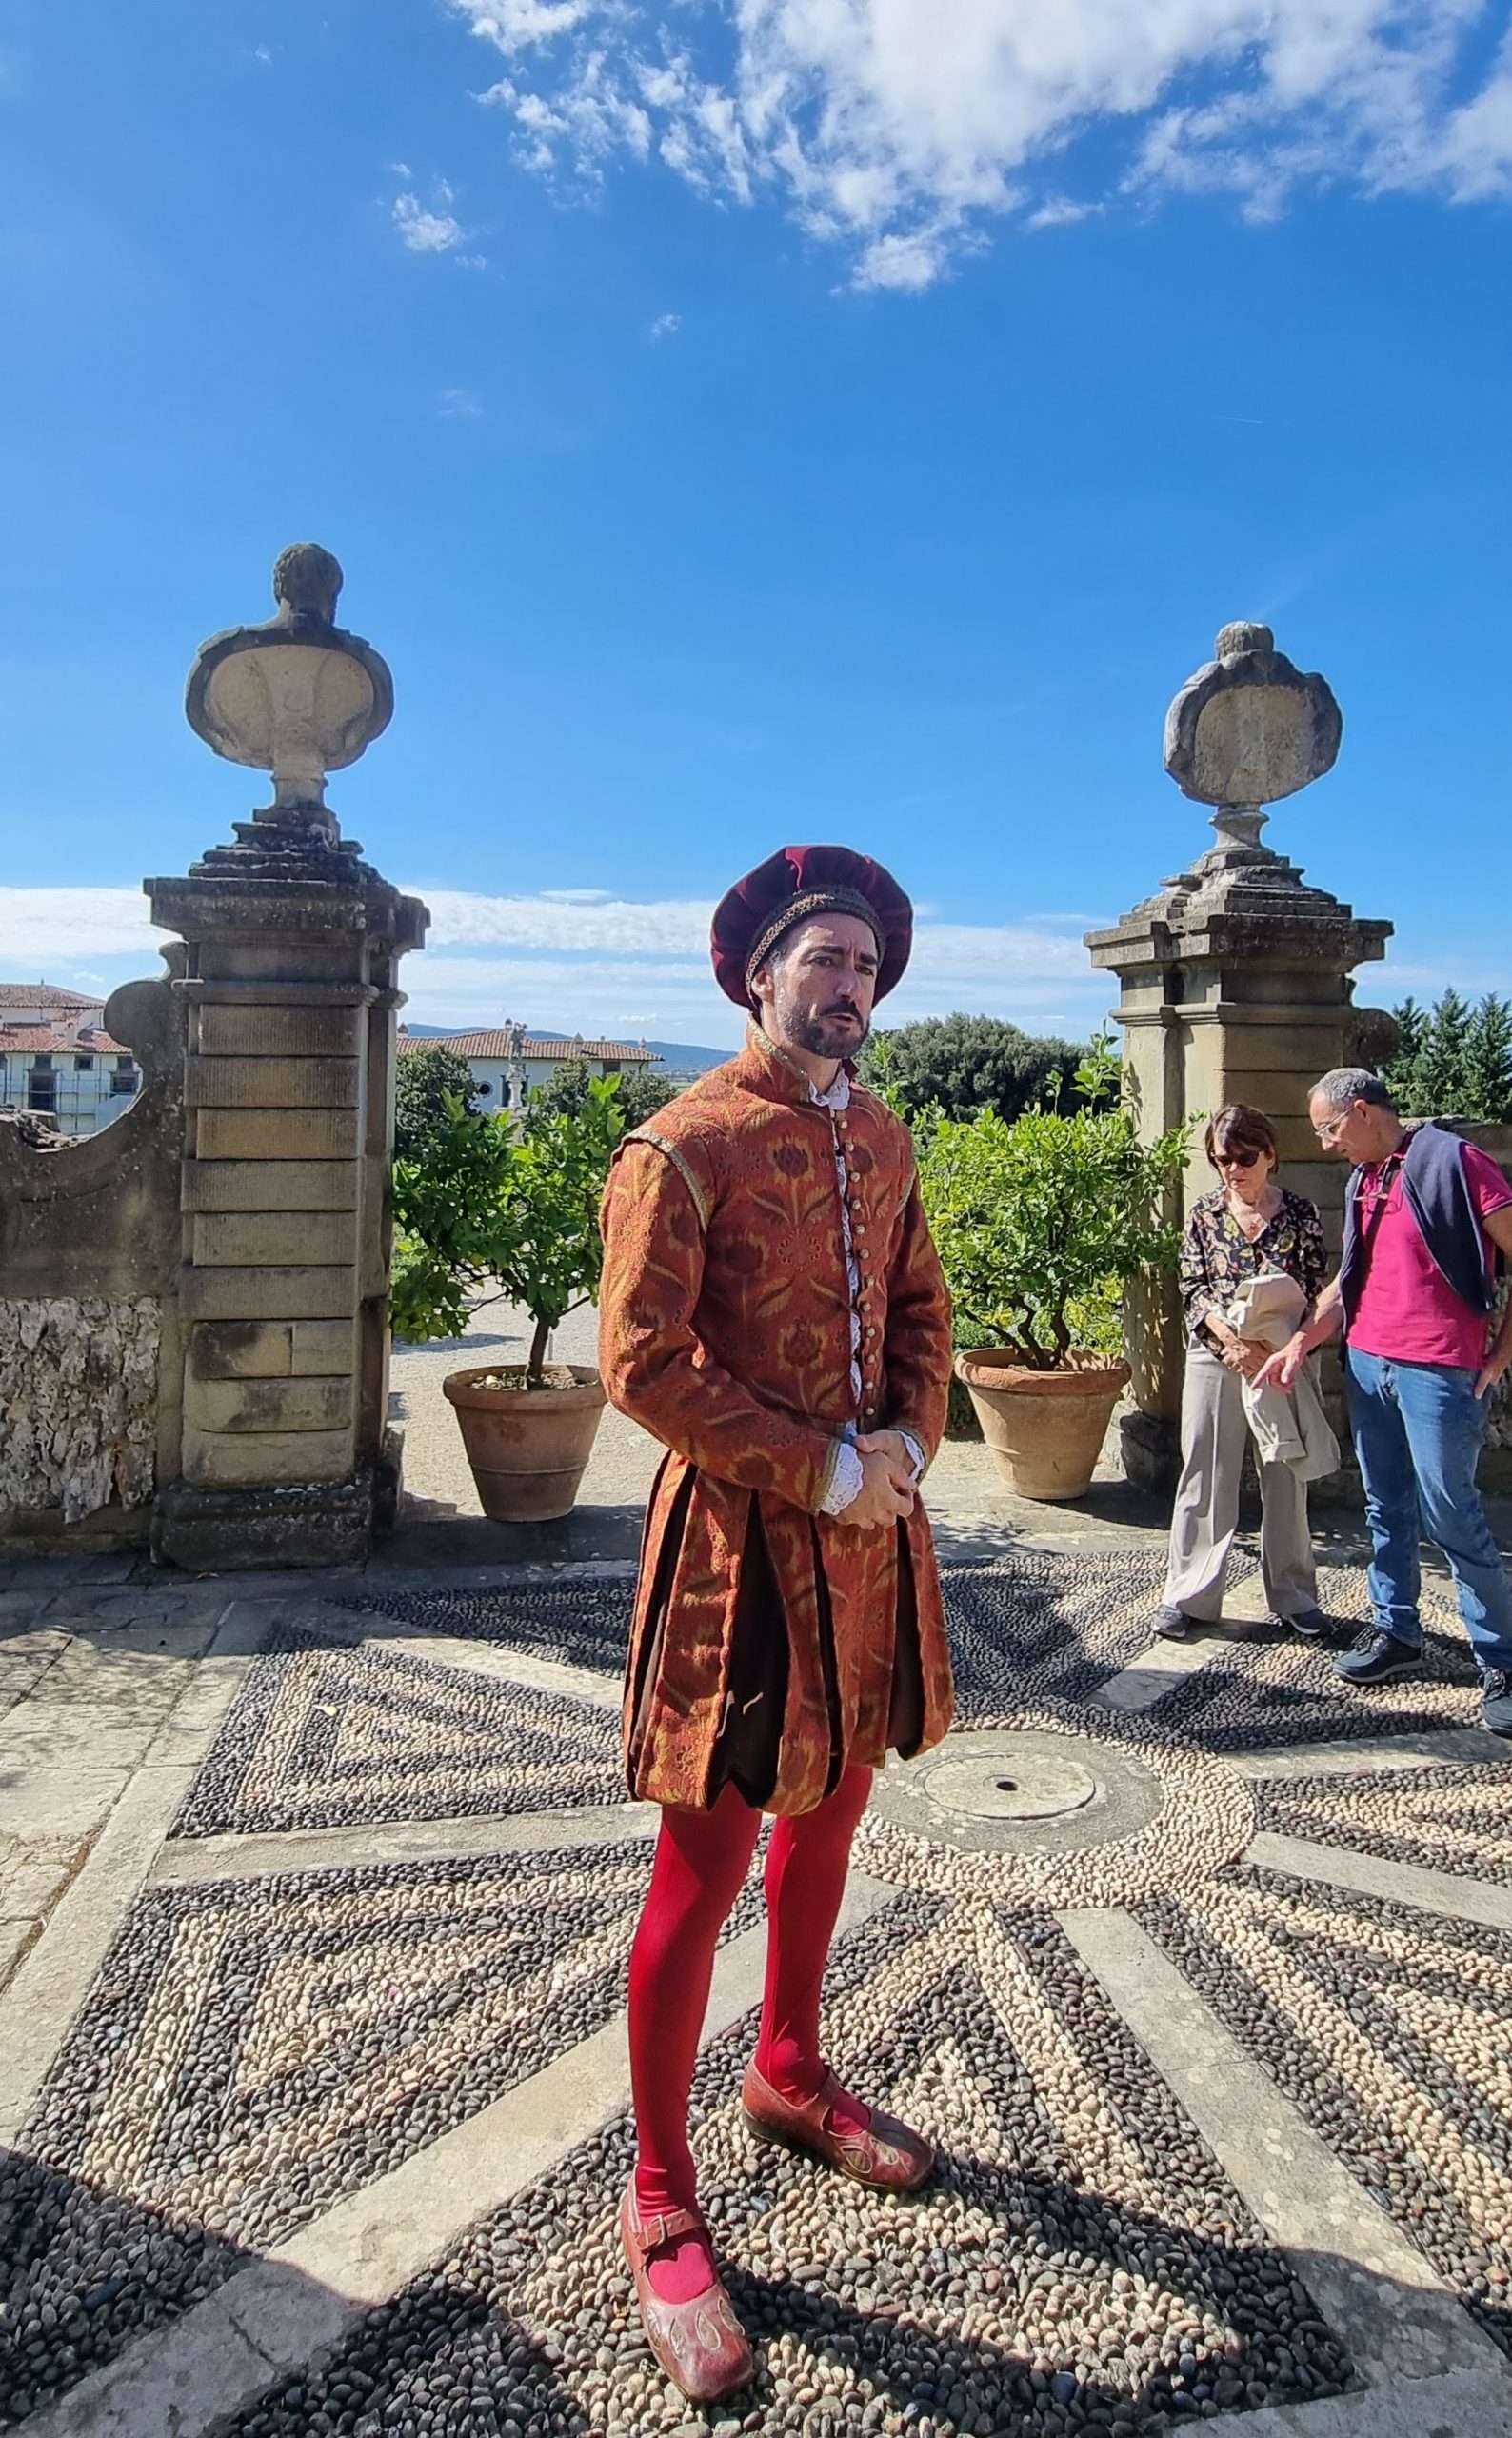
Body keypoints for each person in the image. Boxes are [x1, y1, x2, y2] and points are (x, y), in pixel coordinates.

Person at [597, 844, 955, 2403]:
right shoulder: (676, 1147)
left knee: (834, 1819)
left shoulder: (882, 1140)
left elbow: (927, 1313)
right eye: (824, 958)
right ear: (756, 975)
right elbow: (638, 1363)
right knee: (706, 1859)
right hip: (738, 1559)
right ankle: (660, 2195)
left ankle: (791, 2070)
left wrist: (908, 1449)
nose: (848, 983)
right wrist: (813, 1461)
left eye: (868, 964)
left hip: (869, 1543)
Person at [1258, 1067, 1512, 1739]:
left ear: (1364, 1111)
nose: (1329, 1143)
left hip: (1439, 1372)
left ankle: (1503, 1662)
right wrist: (1302, 1344)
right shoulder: (1365, 1179)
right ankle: (1397, 1633)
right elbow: (1347, 1285)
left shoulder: (1457, 1162)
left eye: (1331, 1128)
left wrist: (1503, 1350)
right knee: (1385, 1506)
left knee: (1451, 1513)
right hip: (1371, 1364)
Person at [1153, 1104, 1332, 1642]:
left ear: (1270, 1155)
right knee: (1205, 1472)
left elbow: (1318, 1288)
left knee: (1286, 1474)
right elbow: (1192, 1286)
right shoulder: (1205, 1213)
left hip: (1284, 1356)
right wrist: (1232, 1344)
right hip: (1219, 1353)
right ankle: (1189, 1596)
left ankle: (1295, 1597)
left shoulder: (1301, 1214)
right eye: (1220, 1160)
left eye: (1243, 1158)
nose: (1232, 1169)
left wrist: (1284, 1350)